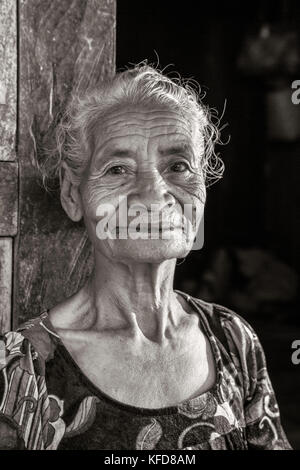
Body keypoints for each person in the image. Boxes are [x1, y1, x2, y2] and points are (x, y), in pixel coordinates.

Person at [0, 64, 292, 450]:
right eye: (118, 169)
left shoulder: (233, 340)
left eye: (178, 166)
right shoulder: (22, 369)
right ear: (74, 195)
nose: (155, 195)